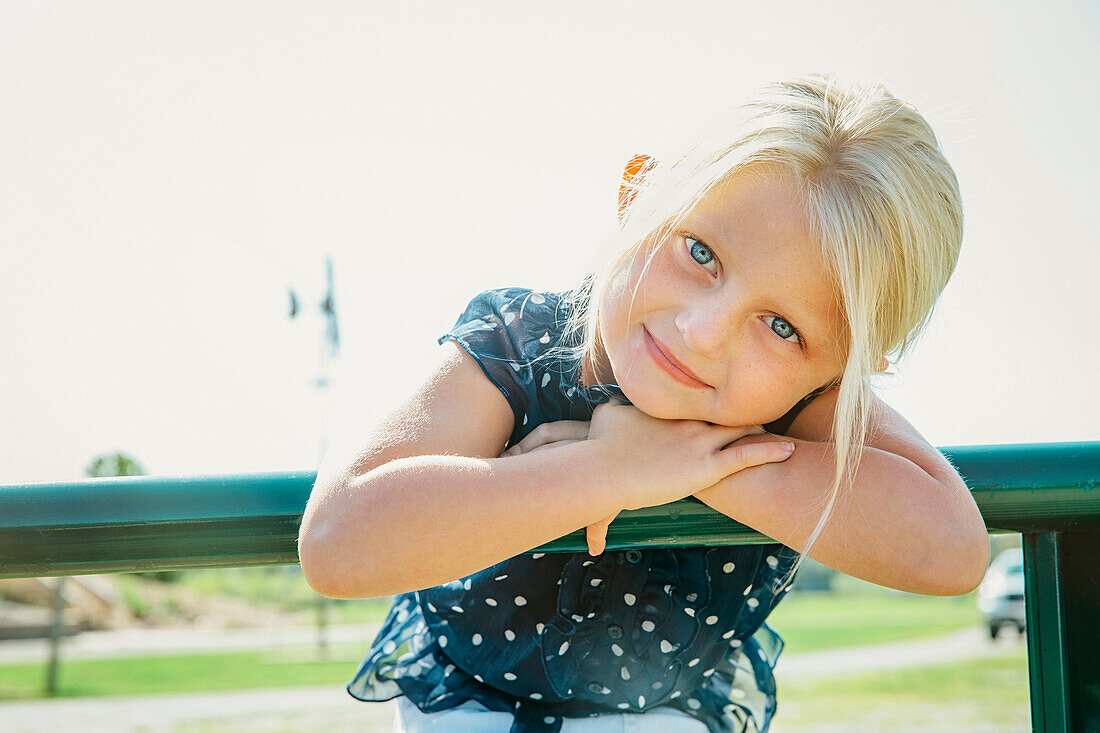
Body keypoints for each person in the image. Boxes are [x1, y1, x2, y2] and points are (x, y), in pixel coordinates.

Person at [297, 73, 990, 733]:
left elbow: (952, 550)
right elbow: (338, 540)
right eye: (699, 251)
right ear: (638, 197)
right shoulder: (522, 342)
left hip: (670, 710)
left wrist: (679, 463)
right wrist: (603, 472)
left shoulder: (803, 399)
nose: (703, 331)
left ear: (848, 368)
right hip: (467, 706)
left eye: (781, 327)